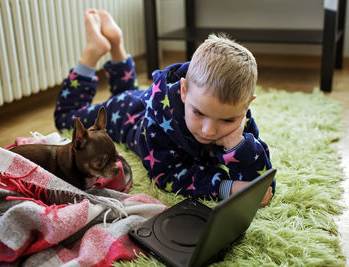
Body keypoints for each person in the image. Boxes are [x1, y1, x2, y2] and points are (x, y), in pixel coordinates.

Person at [54, 9, 275, 206]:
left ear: (246, 106)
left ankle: (116, 45)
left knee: (127, 89)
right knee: (66, 118)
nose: (209, 130)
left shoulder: (238, 114)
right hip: (125, 113)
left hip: (145, 99)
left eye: (228, 120)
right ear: (184, 90)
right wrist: (226, 187)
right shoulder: (157, 125)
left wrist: (238, 145)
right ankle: (94, 50)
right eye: (198, 112)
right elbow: (167, 175)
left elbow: (264, 177)